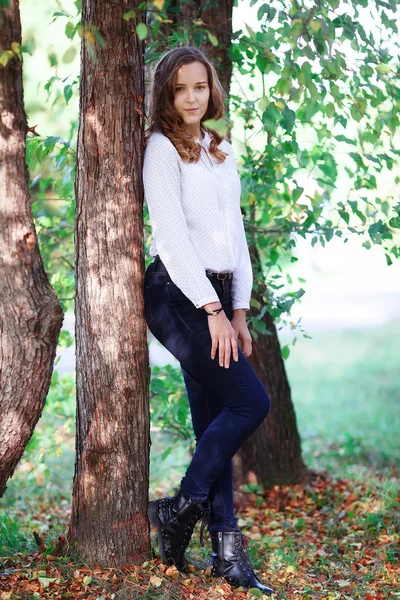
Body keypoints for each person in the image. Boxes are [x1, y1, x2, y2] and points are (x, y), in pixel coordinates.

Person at [142, 45, 274, 596]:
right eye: (180, 89)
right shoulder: (161, 149)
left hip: (219, 295)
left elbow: (235, 237)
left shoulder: (220, 150)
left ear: (210, 89)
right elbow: (172, 239)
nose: (191, 98)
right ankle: (177, 509)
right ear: (166, 95)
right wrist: (213, 312)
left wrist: (238, 310)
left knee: (213, 423)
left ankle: (225, 553)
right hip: (177, 293)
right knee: (251, 402)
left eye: (199, 87)